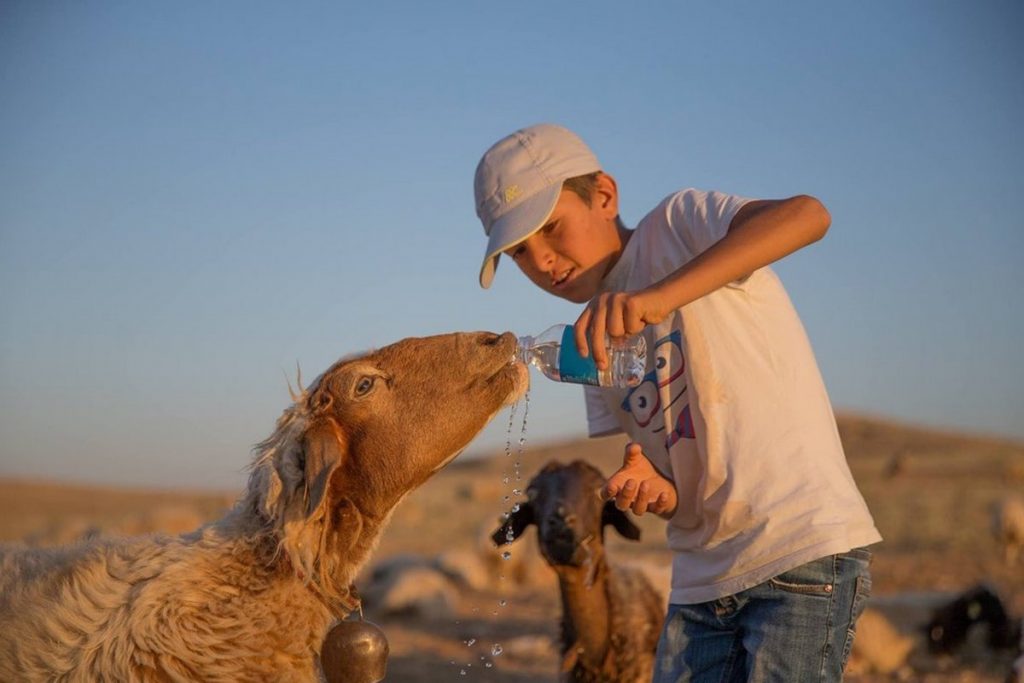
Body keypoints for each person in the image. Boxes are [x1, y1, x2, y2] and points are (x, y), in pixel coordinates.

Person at [471, 123, 881, 682]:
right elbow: (674, 484)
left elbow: (809, 214)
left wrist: (658, 297)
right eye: (520, 252)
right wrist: (655, 488)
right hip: (699, 581)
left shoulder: (680, 225)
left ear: (605, 196)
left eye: (552, 228)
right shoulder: (590, 346)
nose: (542, 260)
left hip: (797, 551)